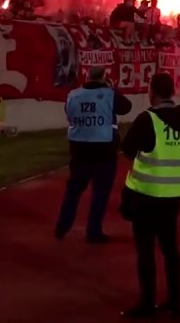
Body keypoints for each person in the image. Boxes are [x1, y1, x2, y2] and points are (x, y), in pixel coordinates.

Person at [119, 72, 180, 319]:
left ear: (152, 91)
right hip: (173, 197)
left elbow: (128, 150)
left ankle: (147, 303)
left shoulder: (148, 119)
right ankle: (175, 301)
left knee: (146, 251)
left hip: (147, 196)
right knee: (171, 249)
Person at [55, 66, 133, 242]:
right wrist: (111, 88)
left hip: (79, 148)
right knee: (100, 192)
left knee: (73, 190)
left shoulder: (73, 95)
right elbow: (126, 107)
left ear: (87, 76)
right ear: (104, 77)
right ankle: (93, 230)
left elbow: (69, 113)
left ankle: (62, 226)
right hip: (103, 149)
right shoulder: (109, 94)